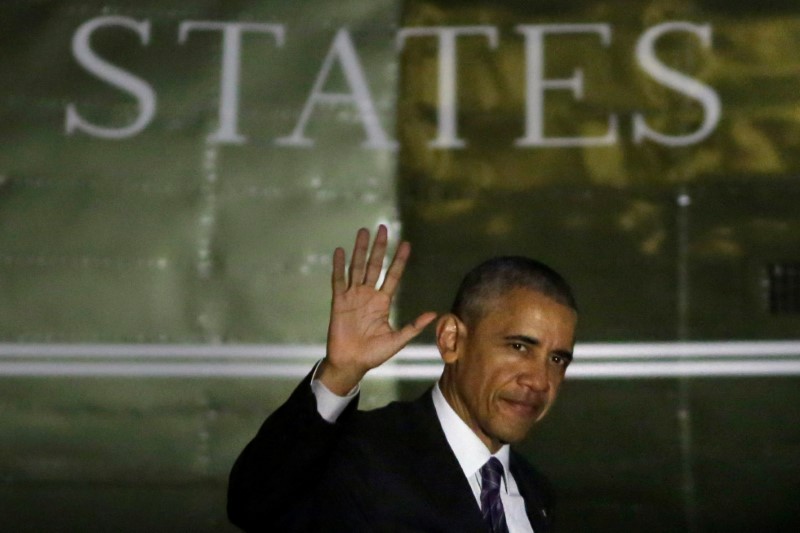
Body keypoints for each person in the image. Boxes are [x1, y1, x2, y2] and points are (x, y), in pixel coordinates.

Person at [227, 225, 578, 532]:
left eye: (557, 359)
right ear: (452, 340)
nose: (540, 379)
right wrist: (339, 376)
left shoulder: (536, 493)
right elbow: (254, 505)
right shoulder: (364, 455)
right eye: (518, 346)